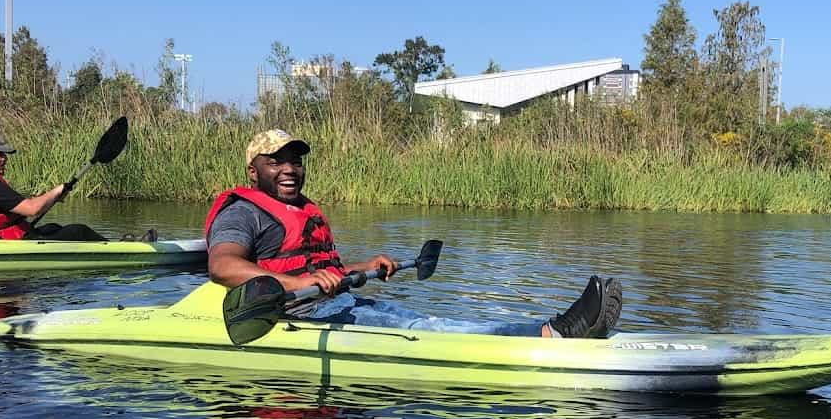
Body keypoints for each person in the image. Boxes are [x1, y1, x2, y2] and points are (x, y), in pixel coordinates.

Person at [206, 129, 623, 338]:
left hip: (333, 304)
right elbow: (223, 265)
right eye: (275, 160)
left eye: (295, 160)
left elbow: (320, 269)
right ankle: (552, 333)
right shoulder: (243, 212)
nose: (289, 168)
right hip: (291, 317)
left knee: (427, 320)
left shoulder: (301, 208)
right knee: (427, 329)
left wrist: (364, 266)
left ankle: (549, 329)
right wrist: (299, 283)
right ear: (252, 171)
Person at [0, 132, 110, 241]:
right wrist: (57, 189)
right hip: (9, 242)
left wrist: (53, 198)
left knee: (52, 227)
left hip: (2, 237)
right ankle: (119, 252)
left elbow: (22, 208)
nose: (4, 158)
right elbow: (32, 209)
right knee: (78, 231)